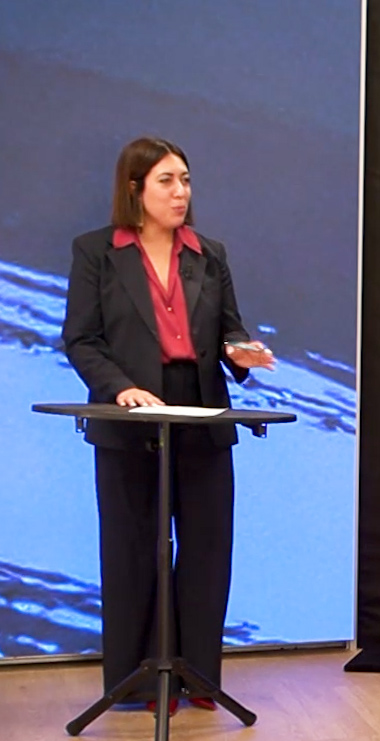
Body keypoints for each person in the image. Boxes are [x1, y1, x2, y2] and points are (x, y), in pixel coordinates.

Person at [62, 136, 277, 709]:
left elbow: (229, 328)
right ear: (135, 188)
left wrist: (240, 352)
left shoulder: (209, 253)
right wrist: (120, 388)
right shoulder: (96, 252)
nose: (181, 192)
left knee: (207, 547)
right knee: (135, 549)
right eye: (167, 181)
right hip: (130, 415)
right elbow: (81, 339)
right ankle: (142, 681)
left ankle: (198, 677)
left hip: (200, 412)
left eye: (185, 180)